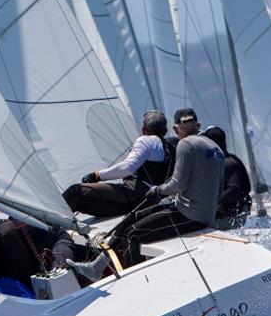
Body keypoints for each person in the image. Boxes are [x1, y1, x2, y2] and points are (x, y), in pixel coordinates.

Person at [68, 108, 225, 280]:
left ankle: (136, 283)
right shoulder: (214, 146)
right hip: (198, 212)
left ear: (175, 128)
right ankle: (96, 267)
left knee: (133, 234)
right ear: (198, 124)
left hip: (190, 215)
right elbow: (218, 188)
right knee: (133, 217)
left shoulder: (185, 144)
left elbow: (177, 184)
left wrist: (157, 190)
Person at [62, 110, 176, 217]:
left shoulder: (146, 140)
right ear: (165, 131)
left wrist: (96, 175)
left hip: (133, 197)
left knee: (75, 191)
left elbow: (127, 168)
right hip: (150, 201)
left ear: (143, 130)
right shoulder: (171, 148)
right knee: (82, 199)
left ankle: (49, 227)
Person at [0, 220, 76, 289]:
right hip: (34, 255)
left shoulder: (6, 235)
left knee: (58, 272)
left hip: (57, 240)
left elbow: (25, 273)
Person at [201, 126, 251, 227]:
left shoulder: (227, 163)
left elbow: (234, 188)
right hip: (229, 213)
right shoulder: (227, 159)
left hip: (231, 216)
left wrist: (212, 203)